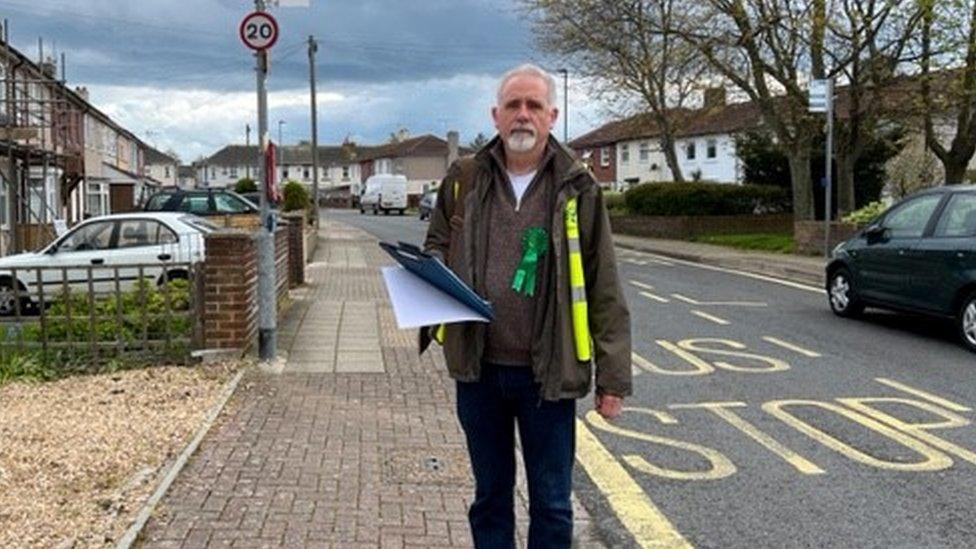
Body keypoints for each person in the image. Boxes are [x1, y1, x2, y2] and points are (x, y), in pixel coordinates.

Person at [421, 63, 631, 549]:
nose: (522, 115)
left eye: (533, 105)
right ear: (495, 116)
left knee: (553, 504)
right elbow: (435, 246)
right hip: (479, 370)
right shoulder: (465, 178)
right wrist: (431, 276)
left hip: (548, 374)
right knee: (490, 497)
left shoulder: (578, 187)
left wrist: (613, 377)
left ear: (551, 116)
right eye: (513, 105)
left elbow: (604, 284)